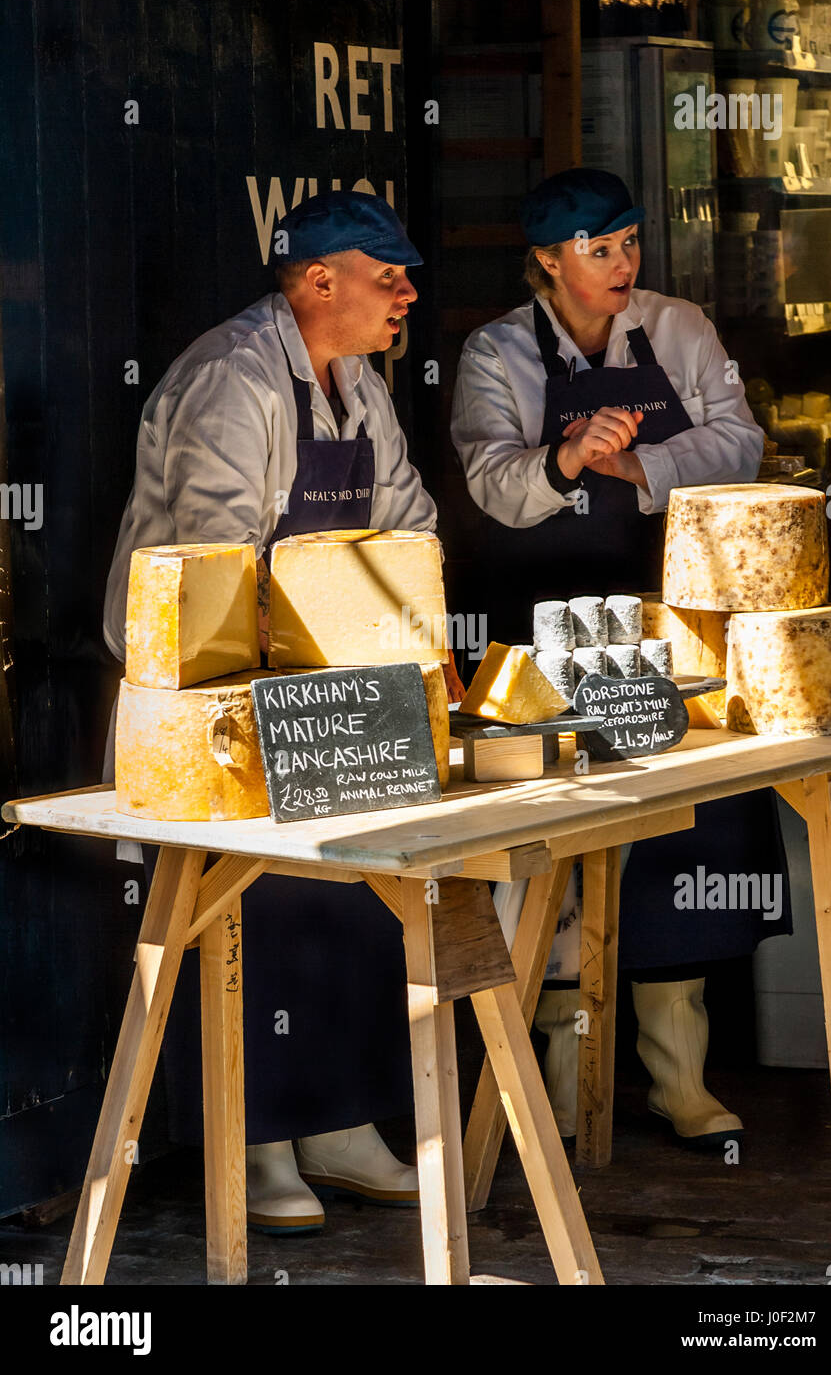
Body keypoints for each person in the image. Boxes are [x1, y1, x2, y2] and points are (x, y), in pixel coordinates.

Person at [103, 191, 446, 1230]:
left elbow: (409, 527)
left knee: (349, 899)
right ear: (316, 281)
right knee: (250, 912)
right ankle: (256, 1145)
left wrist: (421, 649)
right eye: (387, 278)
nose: (407, 297)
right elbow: (216, 564)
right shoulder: (232, 381)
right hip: (206, 695)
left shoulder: (361, 389)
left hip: (319, 692)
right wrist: (337, 647)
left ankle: (337, 1122)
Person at [451, 168, 791, 1146]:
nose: (621, 264)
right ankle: (564, 1076)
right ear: (547, 261)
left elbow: (740, 442)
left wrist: (636, 464)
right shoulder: (495, 352)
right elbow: (488, 479)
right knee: (562, 839)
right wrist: (561, 460)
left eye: (629, 243)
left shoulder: (677, 327)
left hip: (665, 620)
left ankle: (674, 1075)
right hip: (542, 628)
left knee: (684, 834)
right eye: (598, 249)